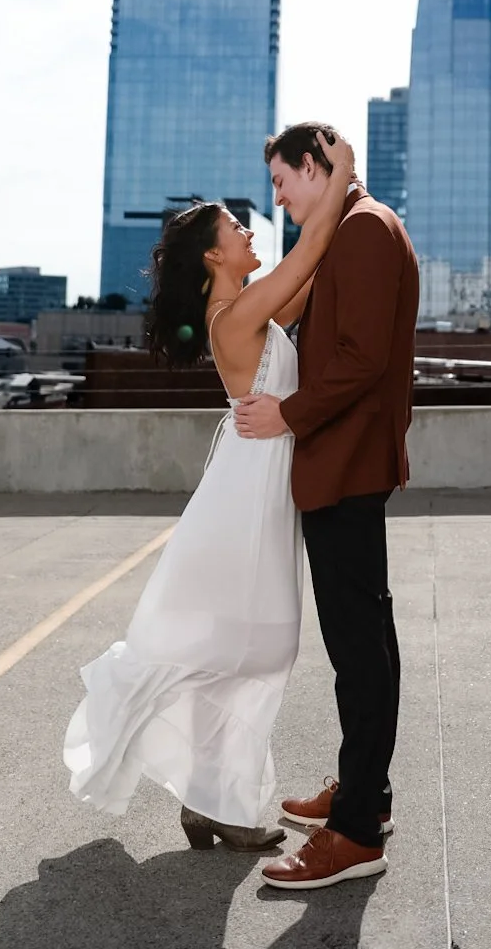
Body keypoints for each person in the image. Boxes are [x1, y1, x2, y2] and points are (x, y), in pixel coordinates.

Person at [63, 129, 357, 850]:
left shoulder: (254, 308)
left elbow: (315, 273)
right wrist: (342, 175)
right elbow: (312, 251)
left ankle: (210, 802)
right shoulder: (239, 315)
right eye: (235, 227)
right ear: (212, 256)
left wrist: (341, 209)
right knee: (252, 647)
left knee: (243, 648)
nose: (249, 231)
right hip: (246, 494)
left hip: (257, 483)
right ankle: (219, 803)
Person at [235, 122, 419, 892]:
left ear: (317, 167)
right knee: (364, 638)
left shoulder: (366, 231)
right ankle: (362, 797)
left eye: (283, 180)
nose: (277, 196)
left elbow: (358, 360)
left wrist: (288, 413)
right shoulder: (349, 227)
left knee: (357, 649)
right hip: (342, 463)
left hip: (345, 462)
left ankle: (352, 835)